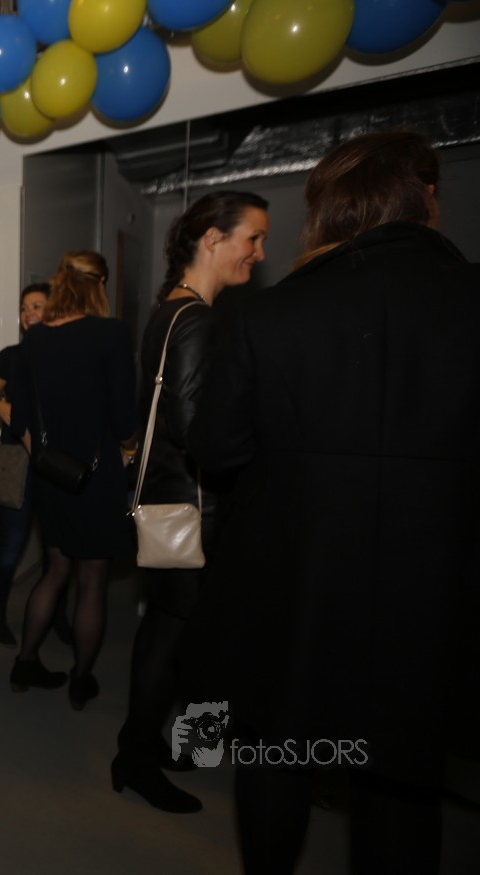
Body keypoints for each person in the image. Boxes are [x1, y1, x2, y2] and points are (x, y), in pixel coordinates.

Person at [187, 130, 480, 874]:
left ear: (328, 210)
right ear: (427, 197)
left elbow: (217, 450)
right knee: (402, 787)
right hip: (430, 601)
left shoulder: (266, 314)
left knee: (278, 758)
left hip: (294, 591)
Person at [111, 191, 269, 815]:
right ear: (212, 238)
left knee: (169, 628)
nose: (259, 253)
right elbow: (198, 430)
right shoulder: (197, 319)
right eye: (252, 238)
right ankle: (141, 754)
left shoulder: (170, 310)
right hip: (192, 506)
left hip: (169, 501)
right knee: (182, 635)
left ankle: (153, 744)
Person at [9, 251, 136, 710]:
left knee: (54, 571)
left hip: (51, 475)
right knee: (93, 580)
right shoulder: (112, 333)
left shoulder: (36, 339)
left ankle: (25, 661)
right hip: (96, 476)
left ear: (61, 283)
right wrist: (130, 447)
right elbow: (125, 420)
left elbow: (20, 417)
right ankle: (81, 680)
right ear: (99, 284)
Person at [0, 282, 48, 645]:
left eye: (37, 305)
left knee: (57, 549)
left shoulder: (64, 355)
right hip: (17, 463)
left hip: (56, 463)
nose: (29, 313)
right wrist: (1, 406)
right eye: (24, 308)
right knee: (11, 544)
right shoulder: (11, 356)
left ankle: (55, 615)